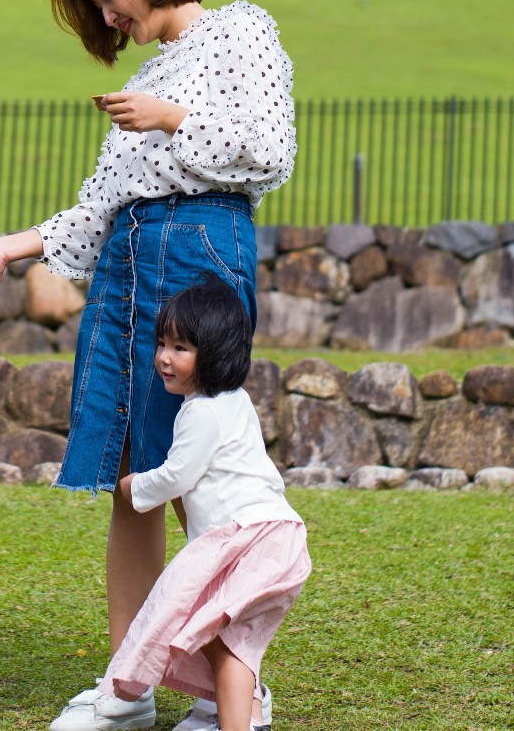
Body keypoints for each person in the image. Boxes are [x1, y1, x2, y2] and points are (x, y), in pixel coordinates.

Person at [0, 0, 296, 731]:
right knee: (134, 478)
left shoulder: (240, 31)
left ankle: (237, 687)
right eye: (99, 5)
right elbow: (97, 209)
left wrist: (173, 120)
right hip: (128, 261)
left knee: (198, 475)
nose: (109, 15)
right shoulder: (141, 81)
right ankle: (125, 690)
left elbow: (270, 149)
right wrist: (8, 248)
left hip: (201, 249)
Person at [89, 277, 308, 731]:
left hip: (243, 540)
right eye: (163, 343)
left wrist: (134, 487)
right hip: (276, 535)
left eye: (181, 348)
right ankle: (247, 719)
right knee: (231, 642)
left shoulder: (200, 412)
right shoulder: (236, 401)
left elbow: (179, 474)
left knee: (220, 640)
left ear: (214, 354)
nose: (164, 358)